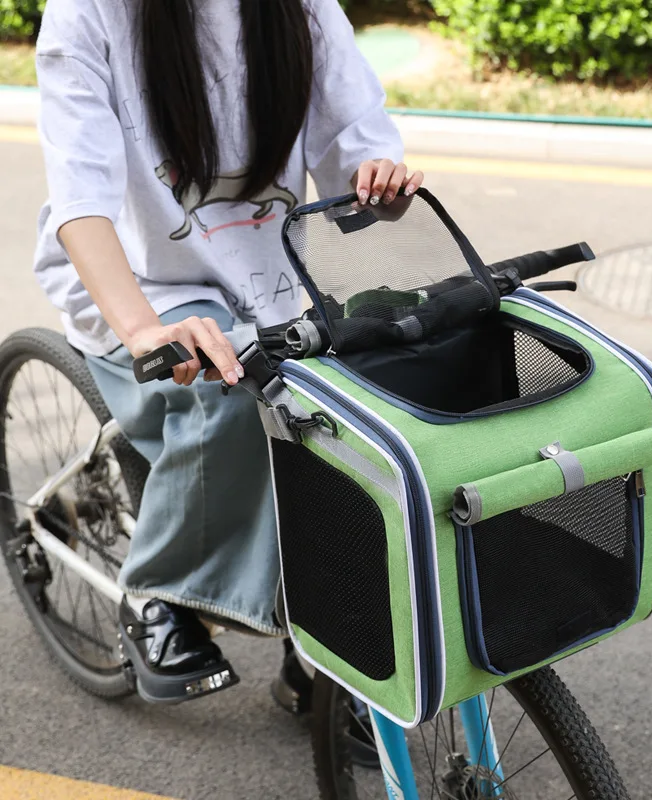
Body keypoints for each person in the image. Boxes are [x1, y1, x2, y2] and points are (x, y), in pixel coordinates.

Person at [33, 0, 424, 707]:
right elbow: (80, 201)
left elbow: (352, 147)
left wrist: (377, 179)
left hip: (264, 284)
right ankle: (157, 594)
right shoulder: (89, 11)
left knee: (353, 420)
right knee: (239, 398)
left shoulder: (301, 8)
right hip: (136, 280)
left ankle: (320, 649)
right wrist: (143, 329)